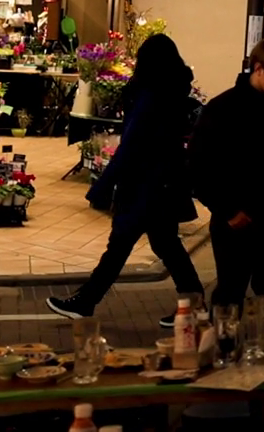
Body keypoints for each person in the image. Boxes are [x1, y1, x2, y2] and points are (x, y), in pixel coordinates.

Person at [49, 35, 205, 322]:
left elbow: (131, 145)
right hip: (165, 183)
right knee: (165, 244)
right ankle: (193, 303)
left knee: (122, 244)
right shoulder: (174, 91)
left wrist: (102, 186)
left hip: (143, 184)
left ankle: (86, 301)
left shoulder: (150, 96)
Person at [190, 38, 264, 345]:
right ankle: (224, 350)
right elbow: (200, 166)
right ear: (259, 68)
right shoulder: (223, 108)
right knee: (230, 292)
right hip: (235, 219)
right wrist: (226, 210)